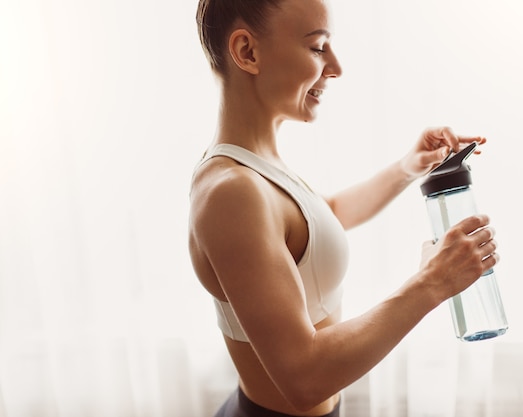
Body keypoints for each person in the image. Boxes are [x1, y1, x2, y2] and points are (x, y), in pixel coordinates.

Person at [188, 0, 498, 416]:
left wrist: (408, 167)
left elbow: (320, 220)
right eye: (318, 48)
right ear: (247, 52)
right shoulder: (232, 193)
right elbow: (304, 379)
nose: (335, 67)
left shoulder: (256, 168)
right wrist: (432, 282)